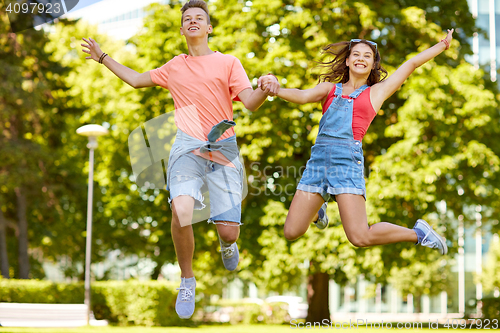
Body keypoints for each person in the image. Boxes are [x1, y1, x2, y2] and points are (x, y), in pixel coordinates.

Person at [81, 0, 279, 319]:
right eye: (187, 18)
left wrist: (266, 88)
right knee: (182, 209)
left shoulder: (229, 62)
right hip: (187, 146)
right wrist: (103, 57)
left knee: (229, 231)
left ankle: (227, 244)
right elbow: (135, 79)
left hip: (223, 147)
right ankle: (187, 279)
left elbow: (251, 103)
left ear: (209, 27)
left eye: (199, 17)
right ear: (183, 28)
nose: (193, 21)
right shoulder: (174, 66)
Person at [259, 30, 454, 254]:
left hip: (346, 164)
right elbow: (302, 96)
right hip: (318, 163)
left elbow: (410, 64)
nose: (361, 58)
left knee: (359, 237)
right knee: (291, 232)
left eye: (367, 56)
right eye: (356, 54)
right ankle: (318, 211)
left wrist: (442, 46)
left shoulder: (376, 92)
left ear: (373, 65)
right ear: (348, 61)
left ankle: (419, 233)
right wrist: (276, 90)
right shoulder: (329, 89)